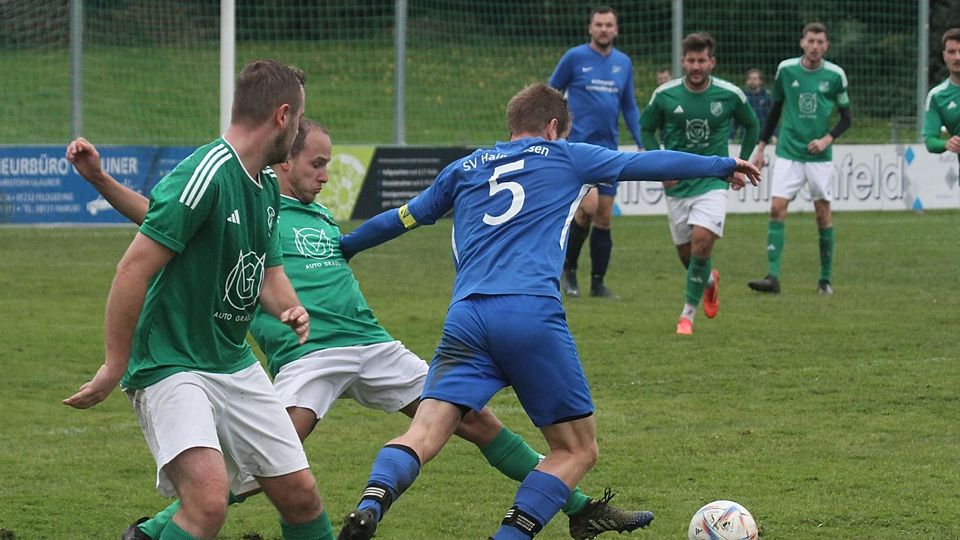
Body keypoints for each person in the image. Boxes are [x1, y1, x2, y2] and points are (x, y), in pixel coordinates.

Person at [67, 121, 653, 540]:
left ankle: (577, 505)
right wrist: (100, 181)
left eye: (327, 164)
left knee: (474, 419)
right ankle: (160, 528)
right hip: (308, 355)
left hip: (374, 345)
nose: (326, 175)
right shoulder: (249, 203)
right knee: (273, 459)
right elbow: (159, 216)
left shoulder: (318, 215)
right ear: (283, 159)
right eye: (316, 163)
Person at [334, 83, 761, 540]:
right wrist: (723, 164)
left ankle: (371, 502)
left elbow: (399, 217)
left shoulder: (464, 168)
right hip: (529, 312)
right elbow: (642, 163)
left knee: (424, 433)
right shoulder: (565, 156)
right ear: (554, 127)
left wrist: (343, 246)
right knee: (576, 450)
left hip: (466, 316)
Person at [62, 60, 336, 540]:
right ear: (283, 115)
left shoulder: (267, 186)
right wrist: (112, 365)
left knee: (301, 494)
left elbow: (269, 272)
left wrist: (289, 306)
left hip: (231, 360)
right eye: (299, 120)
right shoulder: (207, 172)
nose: (297, 131)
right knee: (208, 501)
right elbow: (133, 268)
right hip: (172, 361)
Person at [640, 33, 759, 335]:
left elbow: (752, 124)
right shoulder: (665, 95)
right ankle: (707, 281)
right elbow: (646, 128)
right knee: (687, 254)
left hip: (713, 180)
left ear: (711, 62)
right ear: (683, 61)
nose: (696, 66)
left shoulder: (729, 94)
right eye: (691, 60)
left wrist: (740, 164)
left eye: (701, 60)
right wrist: (660, 165)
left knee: (702, 242)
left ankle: (686, 316)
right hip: (678, 184)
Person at [748, 22, 852, 296]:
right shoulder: (786, 70)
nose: (815, 46)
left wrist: (826, 139)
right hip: (788, 152)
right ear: (802, 42)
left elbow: (847, 118)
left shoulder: (835, 75)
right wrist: (761, 147)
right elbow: (775, 109)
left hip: (820, 157)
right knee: (776, 209)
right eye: (811, 41)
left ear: (826, 45)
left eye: (820, 42)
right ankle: (772, 277)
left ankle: (825, 280)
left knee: (822, 214)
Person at [549, 5, 645, 299]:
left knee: (604, 217)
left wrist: (641, 142)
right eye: (599, 24)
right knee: (587, 209)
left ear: (616, 30)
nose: (604, 29)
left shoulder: (623, 63)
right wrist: (551, 132)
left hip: (609, 151)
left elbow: (628, 105)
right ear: (590, 28)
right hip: (578, 150)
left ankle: (598, 283)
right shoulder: (575, 57)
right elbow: (551, 93)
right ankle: (568, 269)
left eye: (609, 25)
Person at [923, 28, 960, 161]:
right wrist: (947, 143)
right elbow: (930, 140)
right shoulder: (936, 96)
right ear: (944, 56)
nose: (957, 57)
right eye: (952, 52)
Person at [732, 68, 775, 144]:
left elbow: (773, 117)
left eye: (755, 79)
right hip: (745, 138)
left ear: (760, 81)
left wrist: (774, 134)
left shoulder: (767, 96)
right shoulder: (742, 96)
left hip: (764, 139)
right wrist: (731, 136)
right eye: (749, 78)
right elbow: (735, 119)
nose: (752, 81)